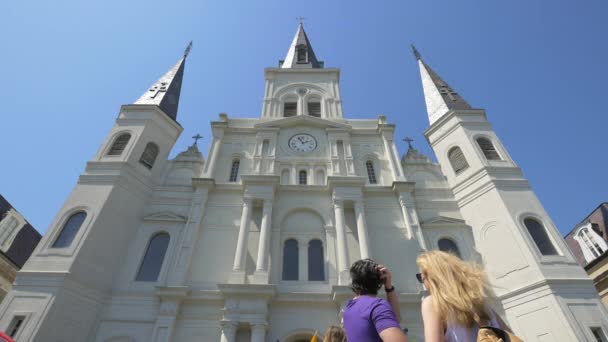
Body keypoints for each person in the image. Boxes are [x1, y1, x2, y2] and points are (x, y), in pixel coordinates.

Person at [416, 251, 514, 342]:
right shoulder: (479, 302)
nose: (423, 283)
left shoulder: (432, 303)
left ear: (432, 277)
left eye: (421, 277)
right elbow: (510, 336)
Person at [343, 259, 408, 342]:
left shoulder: (349, 309)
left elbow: (394, 319)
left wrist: (389, 288)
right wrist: (388, 285)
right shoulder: (377, 306)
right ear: (379, 280)